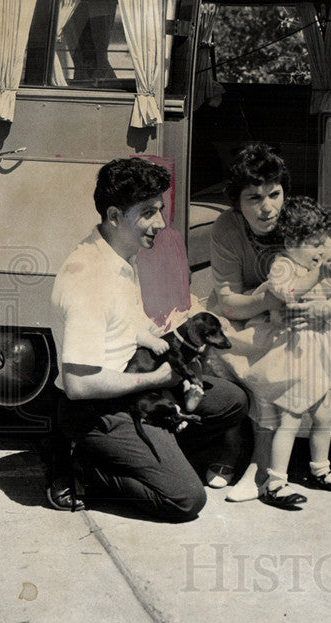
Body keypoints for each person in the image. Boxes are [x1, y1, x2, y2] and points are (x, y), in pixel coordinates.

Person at [48, 157, 247, 521]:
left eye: (160, 210)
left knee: (232, 401)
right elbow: (78, 384)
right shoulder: (90, 279)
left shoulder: (119, 255)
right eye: (148, 212)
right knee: (185, 499)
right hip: (96, 410)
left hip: (131, 388)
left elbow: (127, 325)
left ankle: (154, 447)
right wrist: (159, 380)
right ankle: (84, 470)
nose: (160, 223)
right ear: (113, 215)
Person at [207, 144, 331, 508]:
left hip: (313, 314)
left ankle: (269, 466)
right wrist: (268, 299)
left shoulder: (302, 224)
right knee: (231, 345)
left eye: (274, 193)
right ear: (237, 202)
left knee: (285, 358)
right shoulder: (227, 228)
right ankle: (238, 447)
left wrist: (318, 309)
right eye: (254, 198)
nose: (268, 207)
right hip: (252, 308)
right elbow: (230, 301)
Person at [236, 196, 331, 508]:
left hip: (318, 354)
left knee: (323, 415)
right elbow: (287, 293)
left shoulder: (316, 265)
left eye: (323, 244)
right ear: (291, 241)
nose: (321, 251)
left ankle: (321, 469)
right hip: (293, 355)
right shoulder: (283, 265)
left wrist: (330, 287)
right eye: (315, 244)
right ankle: (274, 480)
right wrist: (317, 275)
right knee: (288, 420)